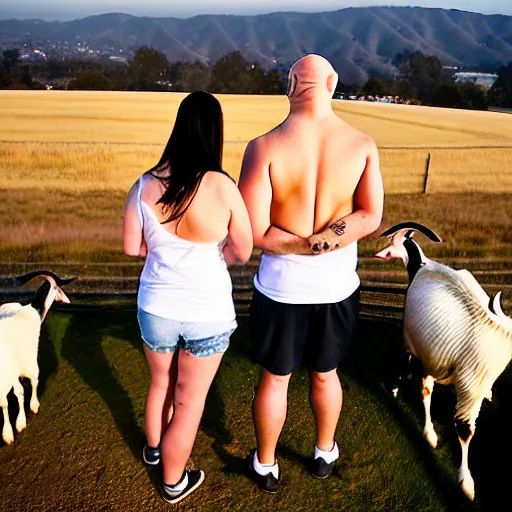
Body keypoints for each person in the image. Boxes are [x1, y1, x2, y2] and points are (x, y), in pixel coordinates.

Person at [238, 54, 384, 493]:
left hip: (282, 289)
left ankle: (266, 464)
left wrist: (303, 244)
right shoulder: (361, 145)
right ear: (333, 84)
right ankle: (324, 453)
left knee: (275, 378)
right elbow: (370, 215)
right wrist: (328, 242)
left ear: (290, 84)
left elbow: (254, 230)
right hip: (337, 288)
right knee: (326, 373)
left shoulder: (264, 147)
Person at [123, 91, 253, 504]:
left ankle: (154, 449)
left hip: (156, 308)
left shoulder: (143, 185)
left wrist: (161, 252)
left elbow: (131, 248)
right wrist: (218, 257)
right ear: (214, 133)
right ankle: (173, 481)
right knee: (190, 401)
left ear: (178, 128)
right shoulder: (222, 187)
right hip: (208, 312)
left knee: (160, 383)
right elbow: (244, 249)